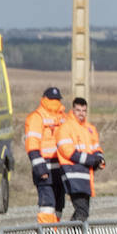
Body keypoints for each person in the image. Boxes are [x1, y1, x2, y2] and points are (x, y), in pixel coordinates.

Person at [55, 96, 103, 222]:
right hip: (73, 174)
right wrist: (90, 160)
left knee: (83, 211)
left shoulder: (90, 129)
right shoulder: (66, 127)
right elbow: (67, 151)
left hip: (86, 175)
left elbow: (96, 147)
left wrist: (99, 159)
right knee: (82, 211)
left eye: (84, 110)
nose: (81, 113)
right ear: (73, 110)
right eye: (78, 110)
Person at [24, 86, 68, 224]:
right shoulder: (37, 117)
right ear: (45, 99)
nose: (55, 102)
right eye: (52, 99)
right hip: (45, 169)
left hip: (60, 170)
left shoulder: (63, 118)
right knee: (48, 205)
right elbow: (32, 146)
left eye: (56, 100)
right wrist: (40, 169)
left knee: (59, 205)